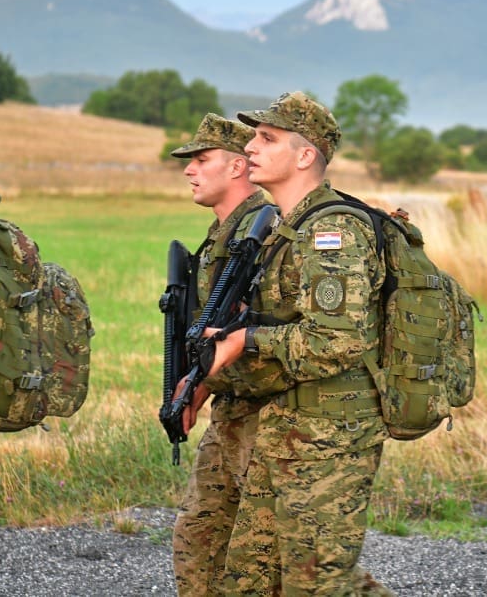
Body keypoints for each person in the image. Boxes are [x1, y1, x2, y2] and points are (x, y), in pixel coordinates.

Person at [204, 91, 393, 595]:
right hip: (284, 430)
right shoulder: (284, 228)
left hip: (330, 438)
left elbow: (336, 341)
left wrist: (246, 340)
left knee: (318, 586)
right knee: (249, 582)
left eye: (267, 139)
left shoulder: (332, 231)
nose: (250, 147)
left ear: (306, 155)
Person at [168, 112, 279, 595]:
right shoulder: (226, 234)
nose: (189, 169)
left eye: (201, 158)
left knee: (272, 565)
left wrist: (206, 377)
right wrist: (199, 384)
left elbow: (263, 330)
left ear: (237, 167)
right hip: (232, 412)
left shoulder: (267, 232)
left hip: (271, 420)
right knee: (198, 540)